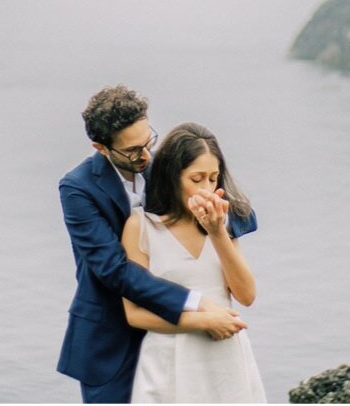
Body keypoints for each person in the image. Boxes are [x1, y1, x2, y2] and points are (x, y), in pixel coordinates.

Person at [56, 85, 258, 403]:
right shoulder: (77, 188)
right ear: (101, 147)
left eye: (148, 140)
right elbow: (113, 269)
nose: (146, 155)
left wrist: (224, 221)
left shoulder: (162, 169)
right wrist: (196, 302)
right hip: (112, 337)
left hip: (183, 343)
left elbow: (217, 196)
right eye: (133, 150)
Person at [121, 123, 266, 403]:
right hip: (169, 362)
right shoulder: (140, 227)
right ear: (172, 178)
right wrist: (203, 321)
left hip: (225, 360)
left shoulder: (222, 222)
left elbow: (246, 295)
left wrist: (216, 232)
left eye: (213, 178)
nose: (207, 188)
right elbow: (135, 314)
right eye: (196, 178)